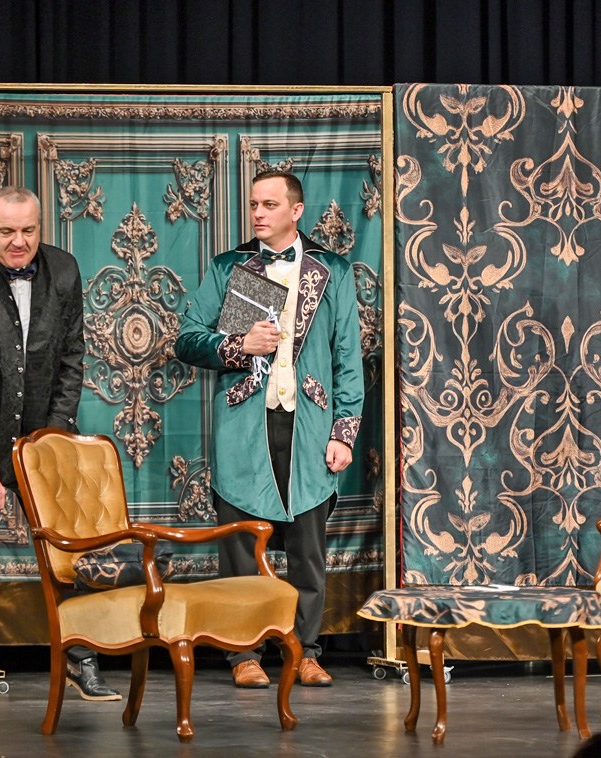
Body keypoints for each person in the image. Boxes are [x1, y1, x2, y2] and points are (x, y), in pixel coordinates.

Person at [0, 186, 120, 708]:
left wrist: (52, 439)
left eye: (29, 230)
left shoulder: (65, 271)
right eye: (7, 231)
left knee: (66, 550)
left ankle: (80, 659)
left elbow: (72, 358)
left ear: (41, 227)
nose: (19, 241)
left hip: (42, 433)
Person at [175, 170, 364, 689]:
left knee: (307, 551)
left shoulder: (333, 271)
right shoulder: (230, 267)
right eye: (254, 204)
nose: (258, 213)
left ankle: (305, 652)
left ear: (296, 211)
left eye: (270, 205)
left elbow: (348, 358)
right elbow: (186, 338)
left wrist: (343, 432)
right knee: (241, 545)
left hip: (309, 426)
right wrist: (237, 345)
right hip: (244, 426)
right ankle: (243, 654)